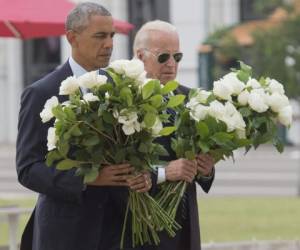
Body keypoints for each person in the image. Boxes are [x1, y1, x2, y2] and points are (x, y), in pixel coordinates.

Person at [16, 3, 151, 250]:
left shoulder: (123, 88)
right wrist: (89, 179)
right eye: (100, 36)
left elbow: (133, 151)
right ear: (72, 38)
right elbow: (28, 169)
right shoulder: (40, 93)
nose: (109, 44)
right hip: (65, 234)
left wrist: (141, 175)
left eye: (112, 35)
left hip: (119, 229)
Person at [132, 20, 215, 250]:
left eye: (176, 57)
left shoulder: (192, 99)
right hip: (138, 226)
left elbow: (202, 170)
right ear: (140, 56)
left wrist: (205, 169)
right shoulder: (123, 102)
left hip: (185, 228)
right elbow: (118, 166)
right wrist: (163, 173)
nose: (171, 64)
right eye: (163, 57)